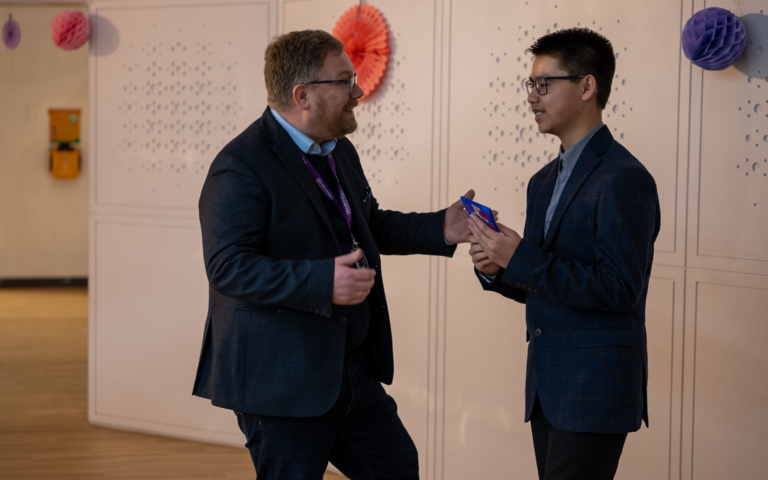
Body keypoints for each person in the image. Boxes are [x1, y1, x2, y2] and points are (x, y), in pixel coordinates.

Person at [192, 29, 474, 480]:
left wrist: (439, 226)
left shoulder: (338, 150)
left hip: (351, 369)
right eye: (344, 81)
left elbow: (367, 222)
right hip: (281, 381)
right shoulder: (240, 166)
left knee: (398, 467)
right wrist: (323, 282)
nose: (357, 92)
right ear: (302, 95)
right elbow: (228, 267)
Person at [468, 28, 660, 480]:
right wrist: (500, 268)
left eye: (544, 84)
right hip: (548, 387)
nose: (532, 97)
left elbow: (620, 289)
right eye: (530, 85)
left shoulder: (624, 178)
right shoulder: (542, 181)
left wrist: (523, 258)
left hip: (595, 387)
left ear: (588, 86)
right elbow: (545, 283)